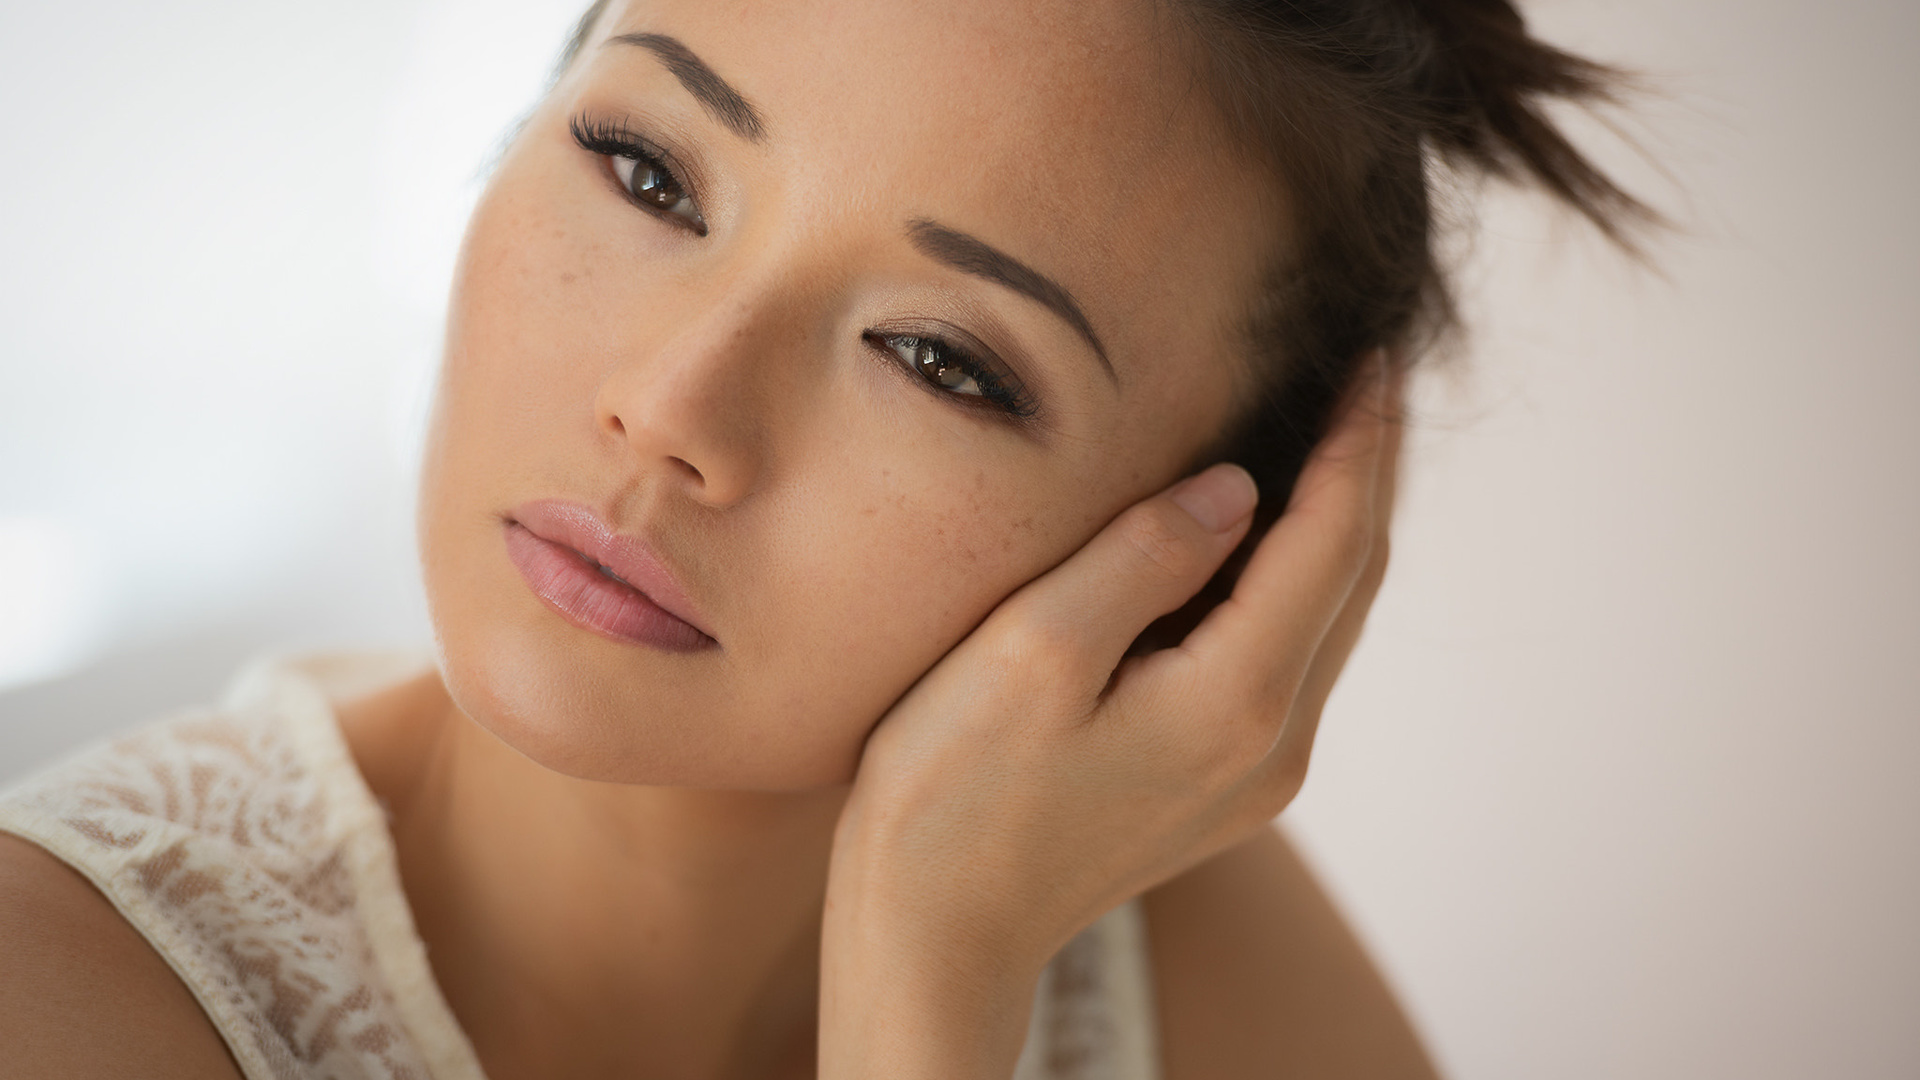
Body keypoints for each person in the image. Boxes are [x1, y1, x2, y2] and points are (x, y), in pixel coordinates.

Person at [0, 0, 1650, 1076]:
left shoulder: (1163, 949)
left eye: (943, 359)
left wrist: (932, 974)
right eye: (648, 169)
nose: (672, 407)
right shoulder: (55, 991)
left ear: (1219, 572)